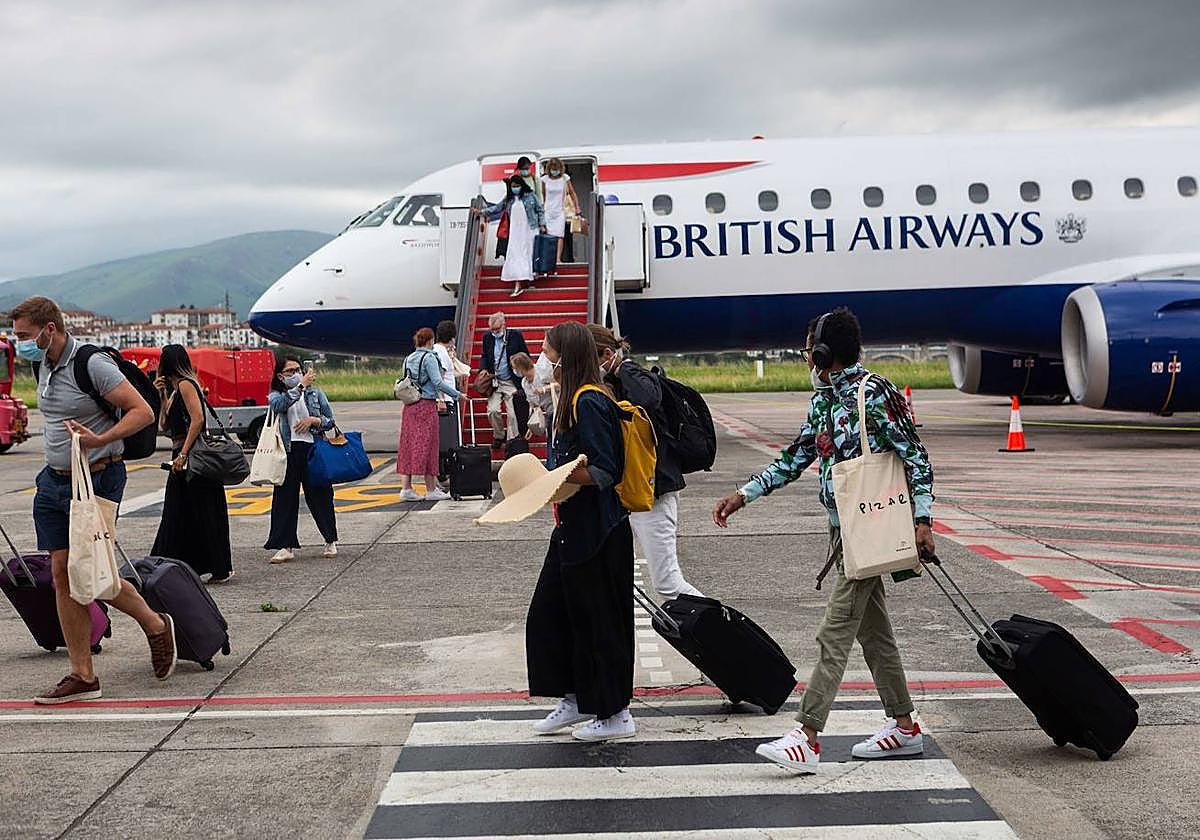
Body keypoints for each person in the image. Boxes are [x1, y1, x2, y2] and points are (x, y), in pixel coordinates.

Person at [711, 307, 935, 774]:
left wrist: (923, 520)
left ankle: (808, 734)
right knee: (875, 635)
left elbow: (916, 457)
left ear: (821, 353)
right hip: (844, 529)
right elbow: (796, 457)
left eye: (809, 348)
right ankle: (905, 726)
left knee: (834, 632)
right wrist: (744, 495)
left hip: (874, 527)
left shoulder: (874, 394)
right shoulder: (824, 401)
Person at [9, 296, 176, 704]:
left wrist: (100, 439)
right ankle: (83, 675)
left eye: (25, 336)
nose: (20, 344)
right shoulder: (42, 363)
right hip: (52, 481)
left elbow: (142, 412)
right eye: (16, 337)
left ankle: (155, 624)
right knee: (64, 573)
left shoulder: (91, 363)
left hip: (97, 479)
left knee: (92, 573)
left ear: (50, 329)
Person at [526, 321, 636, 742]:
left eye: (547, 350)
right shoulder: (568, 398)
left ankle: (615, 713)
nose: (543, 357)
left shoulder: (590, 401)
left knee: (600, 622)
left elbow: (607, 469)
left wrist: (559, 476)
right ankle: (574, 696)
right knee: (551, 615)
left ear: (565, 356)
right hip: (572, 526)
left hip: (599, 530)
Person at [588, 325, 701, 599]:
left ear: (606, 354)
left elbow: (649, 399)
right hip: (635, 491)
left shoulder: (632, 374)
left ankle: (717, 631)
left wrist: (622, 367)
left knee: (668, 583)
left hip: (654, 492)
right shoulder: (615, 380)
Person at [150, 344, 233, 582]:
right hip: (182, 456)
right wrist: (162, 395)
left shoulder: (187, 385)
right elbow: (165, 425)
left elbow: (197, 419)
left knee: (193, 511)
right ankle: (191, 564)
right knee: (187, 511)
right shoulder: (176, 390)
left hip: (192, 459)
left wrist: (183, 453)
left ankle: (182, 563)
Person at [264, 355, 339, 563]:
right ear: (280, 376)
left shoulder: (315, 393)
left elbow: (329, 421)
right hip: (288, 450)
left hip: (312, 449)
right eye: (290, 371)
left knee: (321, 495)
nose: (296, 374)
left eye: (298, 369)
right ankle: (285, 545)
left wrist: (313, 420)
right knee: (284, 497)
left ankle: (330, 539)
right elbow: (279, 406)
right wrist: (299, 387)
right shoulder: (276, 395)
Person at [397, 328, 460, 502]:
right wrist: (456, 394)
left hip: (409, 406)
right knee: (429, 445)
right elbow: (438, 381)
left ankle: (406, 488)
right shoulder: (430, 358)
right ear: (430, 341)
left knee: (408, 445)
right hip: (426, 405)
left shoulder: (408, 358)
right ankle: (431, 489)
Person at [481, 175, 546, 297]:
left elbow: (539, 210)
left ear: (522, 185)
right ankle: (518, 284)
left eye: (517, 186)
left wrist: (542, 224)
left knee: (529, 254)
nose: (515, 188)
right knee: (515, 254)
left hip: (530, 230)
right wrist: (482, 212)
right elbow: (497, 208)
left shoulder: (531, 196)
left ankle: (529, 280)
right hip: (515, 232)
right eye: (513, 186)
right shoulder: (509, 199)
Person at [480, 312, 530, 451]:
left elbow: (525, 355)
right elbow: (484, 355)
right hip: (494, 380)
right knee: (492, 410)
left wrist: (522, 375)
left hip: (511, 380)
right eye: (492, 330)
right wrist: (483, 369)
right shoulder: (487, 338)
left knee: (513, 412)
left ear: (504, 325)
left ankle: (512, 440)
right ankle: (499, 435)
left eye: (497, 329)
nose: (494, 332)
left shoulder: (515, 336)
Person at [510, 350, 556, 467]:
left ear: (521, 367)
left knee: (553, 439)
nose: (514, 371)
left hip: (554, 407)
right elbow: (532, 404)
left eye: (515, 368)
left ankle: (552, 465)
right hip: (543, 410)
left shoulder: (542, 372)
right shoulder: (524, 382)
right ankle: (551, 464)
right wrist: (531, 425)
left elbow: (561, 384)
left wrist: (545, 389)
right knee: (551, 439)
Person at [432, 319, 464, 484]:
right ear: (452, 338)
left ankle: (441, 472)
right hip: (445, 401)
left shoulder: (437, 349)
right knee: (447, 439)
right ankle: (442, 473)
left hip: (445, 398)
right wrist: (442, 399)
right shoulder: (441, 353)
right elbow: (439, 378)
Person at [540, 157, 580, 265]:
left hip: (560, 211)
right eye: (552, 169)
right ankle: (549, 258)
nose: (554, 171)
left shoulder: (565, 178)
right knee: (549, 235)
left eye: (556, 168)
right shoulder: (544, 179)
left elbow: (572, 193)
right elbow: (543, 195)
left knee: (560, 235)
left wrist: (577, 207)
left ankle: (558, 259)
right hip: (548, 210)